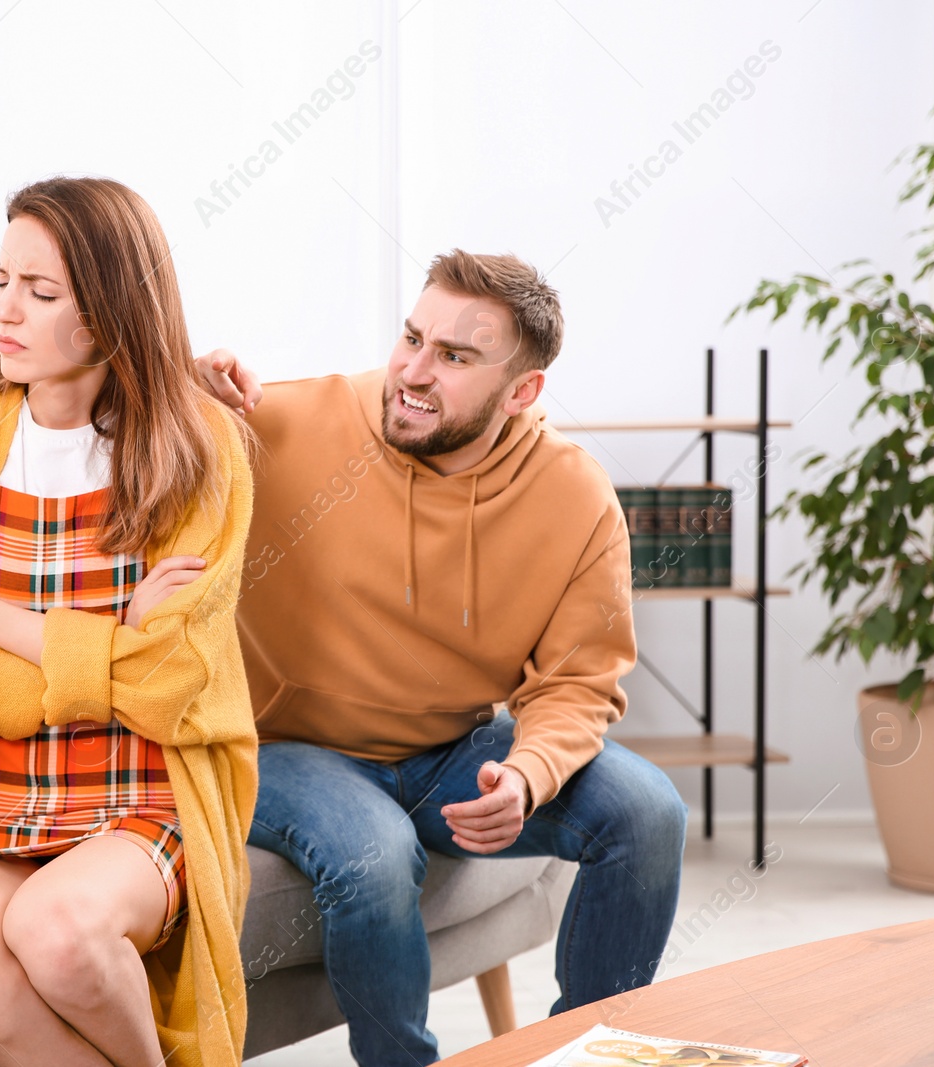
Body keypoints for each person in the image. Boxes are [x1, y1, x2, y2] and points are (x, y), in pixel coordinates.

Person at [193, 249, 689, 1066]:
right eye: (413, 338)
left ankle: (589, 1053)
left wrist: (527, 773)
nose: (413, 372)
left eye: (454, 357)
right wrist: (181, 377)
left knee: (647, 812)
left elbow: (578, 681)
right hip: (280, 746)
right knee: (375, 852)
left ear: (523, 390)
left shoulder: (575, 498)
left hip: (447, 750)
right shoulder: (288, 421)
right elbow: (96, 412)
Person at [0, 176, 258, 1067]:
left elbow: (172, 685)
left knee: (58, 929)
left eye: (40, 293)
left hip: (139, 796)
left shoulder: (199, 449)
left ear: (112, 316)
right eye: (1, 281)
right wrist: (115, 646)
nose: (5, 311)